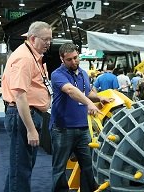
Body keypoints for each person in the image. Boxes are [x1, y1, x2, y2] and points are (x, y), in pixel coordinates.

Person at [49, 43, 113, 192]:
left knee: (89, 166)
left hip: (83, 128)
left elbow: (86, 93)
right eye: (69, 59)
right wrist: (90, 103)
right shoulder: (57, 74)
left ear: (78, 54)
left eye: (75, 58)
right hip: (62, 129)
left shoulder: (83, 73)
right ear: (62, 59)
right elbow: (71, 91)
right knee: (59, 168)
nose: (73, 62)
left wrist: (98, 98)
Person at [1, 21, 52, 192]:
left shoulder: (31, 55)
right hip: (23, 116)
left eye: (50, 40)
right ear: (32, 38)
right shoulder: (24, 58)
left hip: (26, 115)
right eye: (45, 39)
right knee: (21, 170)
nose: (48, 43)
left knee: (19, 167)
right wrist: (31, 129)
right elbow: (20, 96)